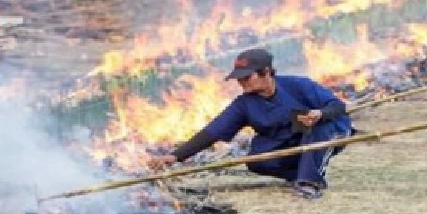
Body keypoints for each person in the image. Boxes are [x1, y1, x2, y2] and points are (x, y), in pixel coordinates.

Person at [150, 48, 353, 200]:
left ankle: (310, 182)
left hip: (328, 130)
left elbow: (337, 106)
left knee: (316, 127)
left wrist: (320, 113)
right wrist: (175, 156)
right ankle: (300, 173)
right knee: (257, 160)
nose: (242, 82)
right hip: (290, 138)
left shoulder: (298, 85)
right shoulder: (244, 104)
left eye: (247, 77)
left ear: (266, 72)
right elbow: (213, 131)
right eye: (239, 78)